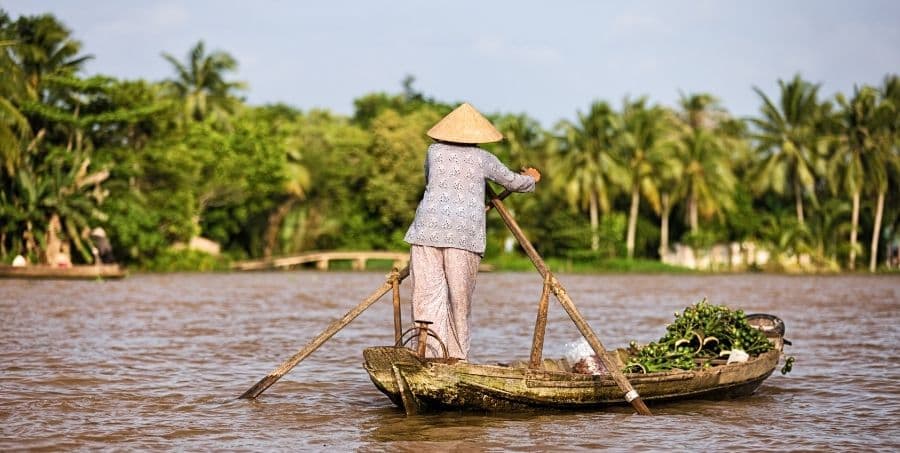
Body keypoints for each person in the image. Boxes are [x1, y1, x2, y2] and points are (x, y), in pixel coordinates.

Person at [403, 102, 541, 361]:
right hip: (463, 237)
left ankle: (426, 355)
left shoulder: (433, 152)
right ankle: (455, 358)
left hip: (426, 231)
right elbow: (513, 181)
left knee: (426, 296)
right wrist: (531, 178)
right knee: (459, 300)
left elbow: (429, 181)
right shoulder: (483, 159)